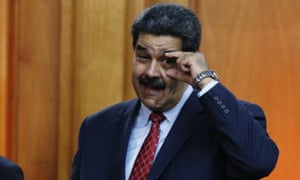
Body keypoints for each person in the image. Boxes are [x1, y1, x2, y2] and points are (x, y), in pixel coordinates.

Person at [71, 3, 279, 180]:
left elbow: (258, 163)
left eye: (167, 60)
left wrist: (204, 80)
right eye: (143, 57)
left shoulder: (228, 123)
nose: (151, 72)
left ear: (189, 62)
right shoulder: (96, 126)